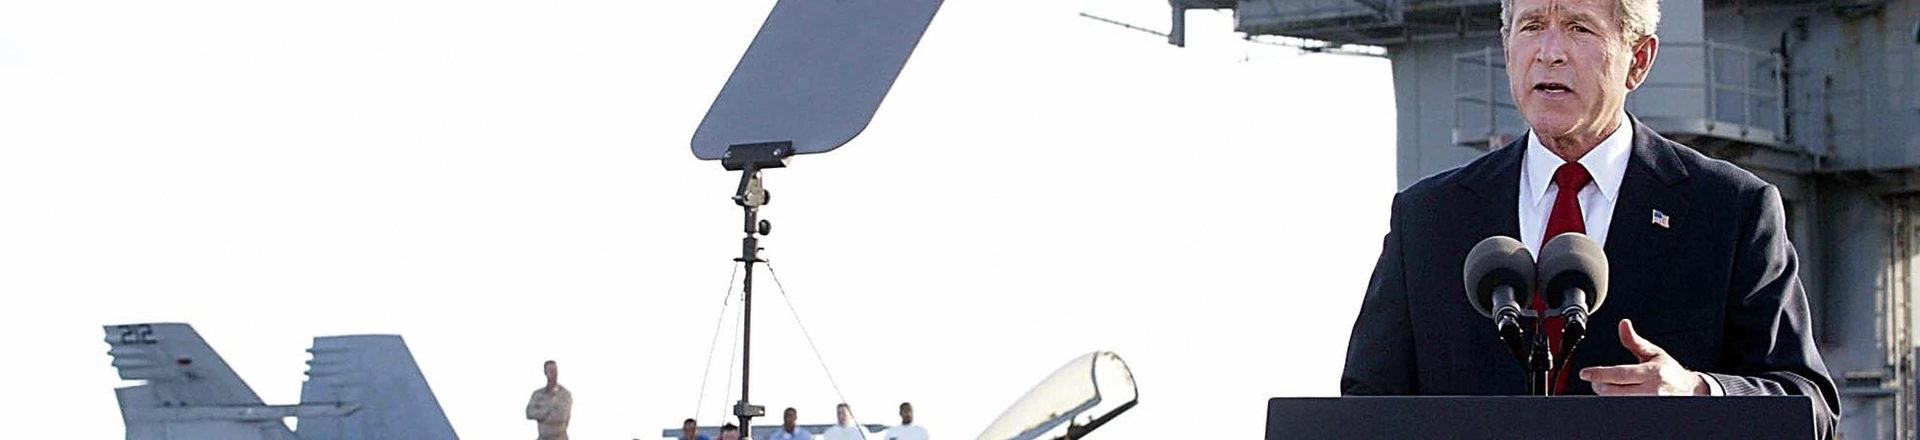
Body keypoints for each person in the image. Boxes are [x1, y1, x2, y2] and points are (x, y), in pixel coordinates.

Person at [1338, 0, 1840, 436]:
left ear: (1638, 60)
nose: (1549, 52)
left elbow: (1810, 406)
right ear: (1508, 49)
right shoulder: (1428, 218)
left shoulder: (1731, 209)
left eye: (1579, 27)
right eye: (1532, 26)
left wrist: (1697, 392)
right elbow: (1367, 405)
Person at [524, 360, 572, 440]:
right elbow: (529, 413)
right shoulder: (537, 394)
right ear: (545, 373)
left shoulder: (565, 395)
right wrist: (549, 411)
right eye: (551, 371)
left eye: (555, 371)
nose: (554, 374)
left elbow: (560, 416)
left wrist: (540, 413)